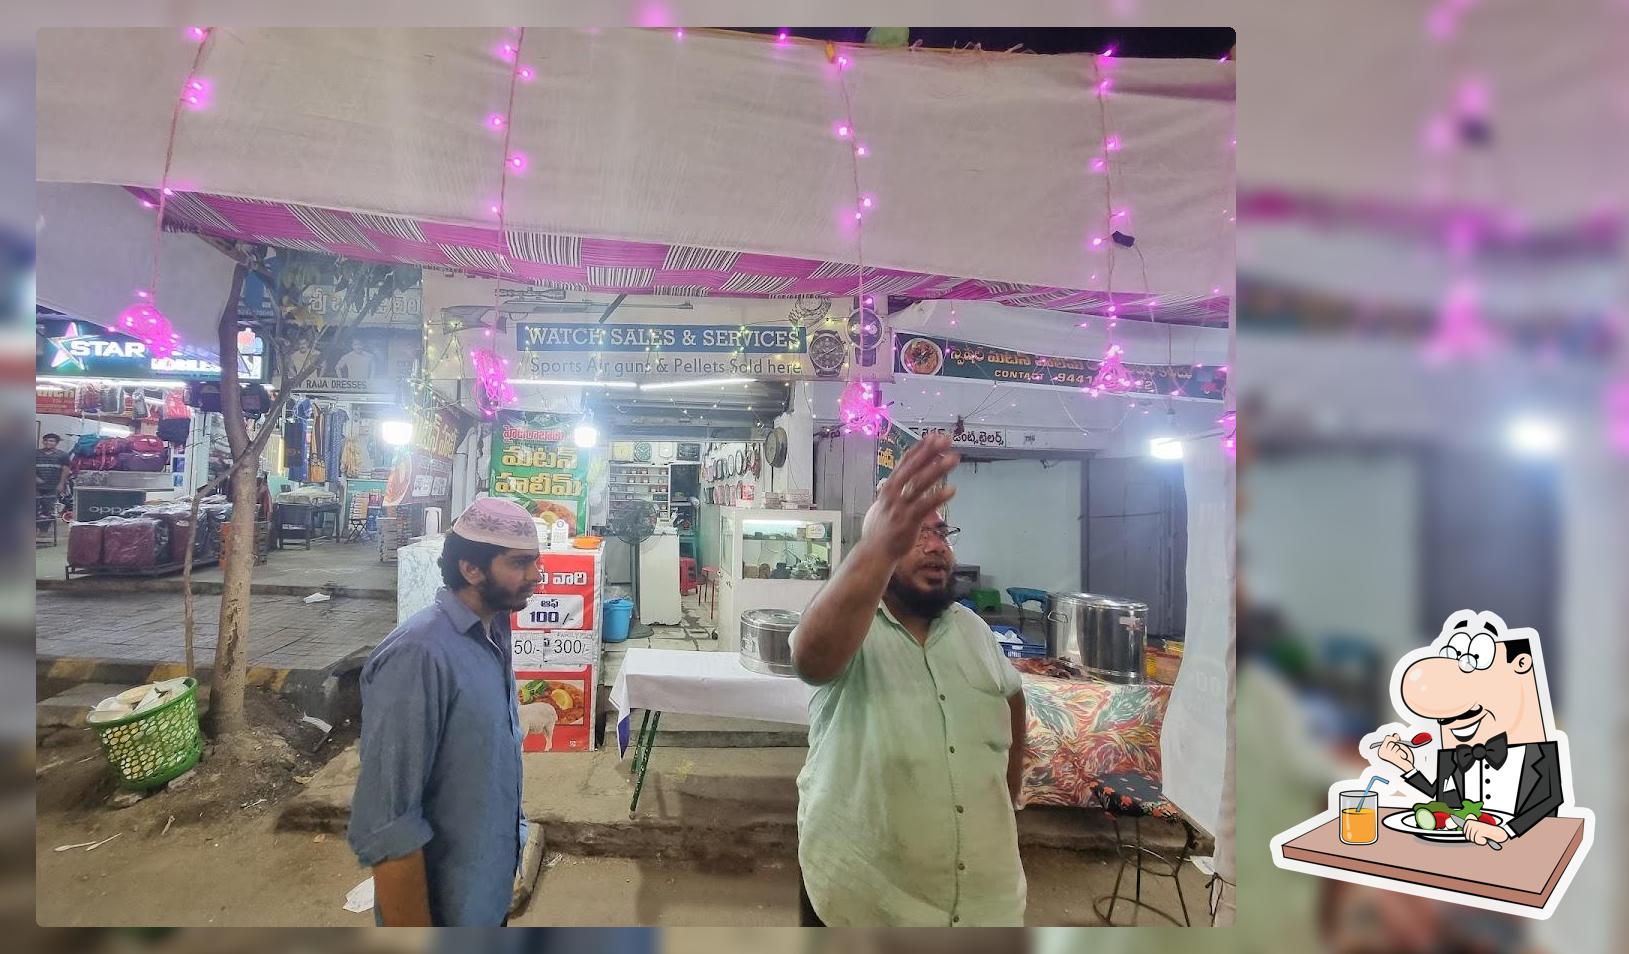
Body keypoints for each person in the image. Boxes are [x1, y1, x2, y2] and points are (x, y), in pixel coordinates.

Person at [790, 433, 1028, 927]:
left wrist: (1006, 802)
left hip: (988, 906)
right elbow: (810, 660)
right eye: (912, 535)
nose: (935, 546)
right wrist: (874, 548)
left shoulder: (973, 629)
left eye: (941, 533)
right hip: (862, 901)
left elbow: (1012, 699)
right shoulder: (852, 626)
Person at [347, 497, 542, 926]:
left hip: (485, 896)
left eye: (536, 561)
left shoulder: (495, 629)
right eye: (519, 563)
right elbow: (389, 825)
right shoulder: (418, 656)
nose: (535, 575)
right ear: (471, 569)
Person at [36, 433, 71, 534]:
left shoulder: (63, 455)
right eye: (46, 440)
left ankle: (43, 529)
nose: (48, 443)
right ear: (43, 441)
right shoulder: (35, 453)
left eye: (51, 441)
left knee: (48, 507)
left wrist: (61, 484)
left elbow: (66, 470)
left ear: (56, 443)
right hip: (35, 486)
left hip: (53, 486)